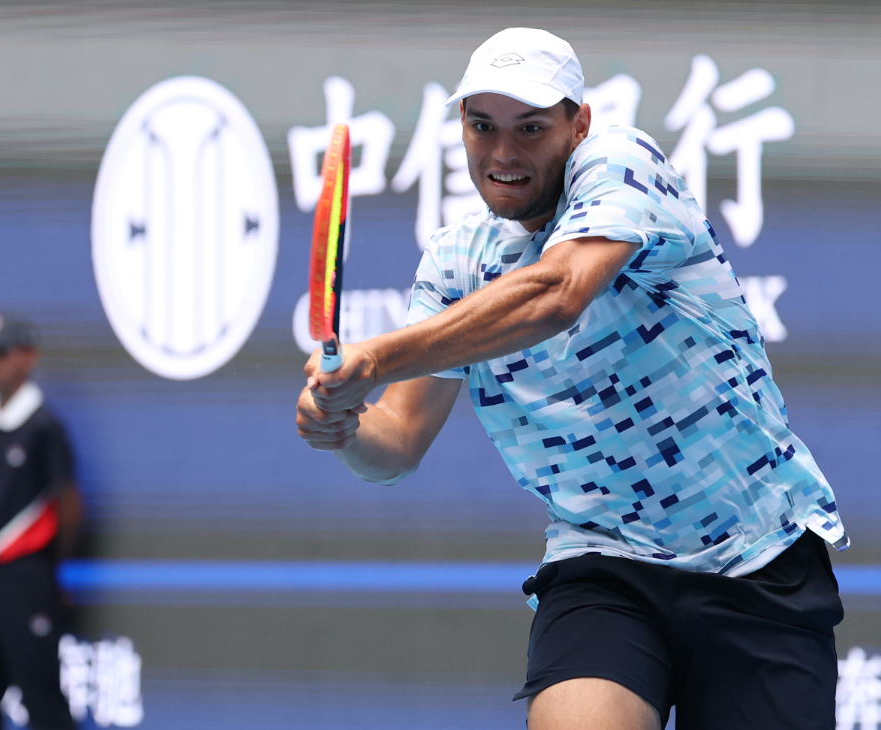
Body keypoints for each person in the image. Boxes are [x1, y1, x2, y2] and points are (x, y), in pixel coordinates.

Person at [296, 28, 846, 730]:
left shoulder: (624, 166)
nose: (503, 153)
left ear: (578, 124)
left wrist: (374, 359)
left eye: (530, 128)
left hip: (757, 553)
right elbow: (398, 439)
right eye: (482, 126)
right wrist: (344, 425)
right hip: (603, 562)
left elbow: (557, 293)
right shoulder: (456, 263)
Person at [0, 313, 82, 730]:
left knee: (41, 698)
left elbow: (67, 503)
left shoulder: (44, 428)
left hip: (27, 578)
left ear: (27, 357)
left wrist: (48, 568)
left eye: (0, 353)